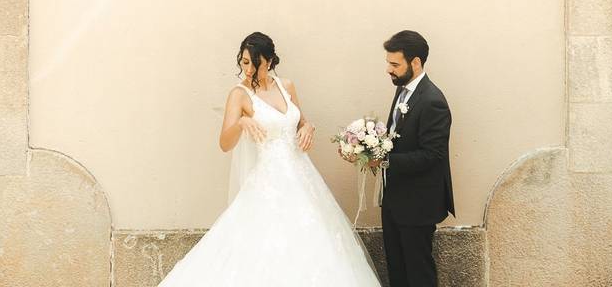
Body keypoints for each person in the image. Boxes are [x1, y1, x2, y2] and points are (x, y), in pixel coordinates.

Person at [158, 32, 382, 286]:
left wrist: (309, 127)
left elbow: (300, 121)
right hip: (268, 182)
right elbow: (225, 143)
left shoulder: (286, 87)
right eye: (244, 62)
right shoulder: (239, 95)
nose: (249, 69)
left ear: (270, 61)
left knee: (314, 242)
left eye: (256, 62)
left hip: (303, 178)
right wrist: (241, 121)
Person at [380, 30, 455, 287]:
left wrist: (383, 159)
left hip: (418, 204)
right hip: (395, 200)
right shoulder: (403, 91)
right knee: (397, 270)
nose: (388, 69)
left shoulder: (433, 101)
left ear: (415, 62)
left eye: (394, 64)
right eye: (388, 62)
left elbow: (432, 155)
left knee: (418, 272)